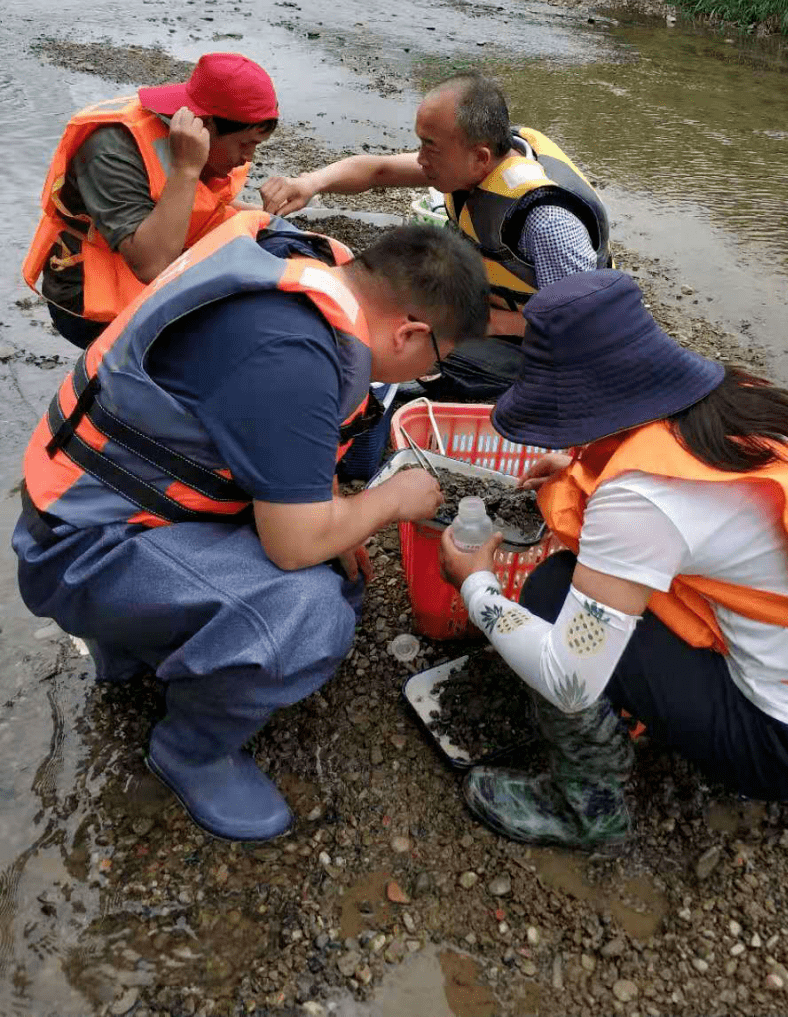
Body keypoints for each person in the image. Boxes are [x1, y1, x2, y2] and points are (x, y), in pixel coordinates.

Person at [14, 214, 489, 843]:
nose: (421, 378)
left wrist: (338, 518)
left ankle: (132, 649)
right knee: (313, 608)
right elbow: (292, 548)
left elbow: (275, 428)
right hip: (79, 552)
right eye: (434, 365)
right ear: (410, 333)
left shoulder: (303, 262)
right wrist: (391, 501)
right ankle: (190, 750)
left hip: (94, 510)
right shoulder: (292, 351)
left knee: (333, 560)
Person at [439, 271, 788, 847]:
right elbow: (702, 515)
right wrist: (579, 472)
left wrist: (476, 585)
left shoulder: (642, 498)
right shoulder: (739, 402)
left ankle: (585, 810)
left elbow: (569, 680)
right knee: (576, 589)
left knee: (549, 595)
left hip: (782, 748)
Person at [259, 72, 611, 400]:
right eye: (421, 144)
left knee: (427, 358)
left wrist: (483, 323)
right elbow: (376, 170)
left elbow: (579, 327)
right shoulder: (474, 160)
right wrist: (309, 183)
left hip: (542, 343)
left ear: (481, 156)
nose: (421, 159)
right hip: (489, 307)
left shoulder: (546, 221)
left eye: (430, 147)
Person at [23, 52, 279, 349]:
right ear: (205, 126)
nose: (248, 157)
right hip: (91, 297)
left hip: (154, 258)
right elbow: (152, 266)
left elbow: (203, 207)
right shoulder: (111, 149)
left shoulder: (208, 141)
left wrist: (273, 221)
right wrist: (187, 168)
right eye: (246, 144)